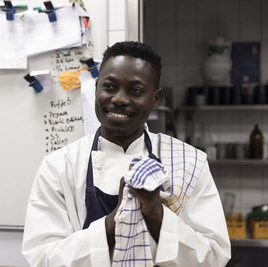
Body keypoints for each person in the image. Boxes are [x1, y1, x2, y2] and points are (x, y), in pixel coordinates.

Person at [22, 41, 231, 267]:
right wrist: (114, 223)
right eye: (109, 86)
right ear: (96, 89)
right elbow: (42, 258)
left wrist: (156, 214)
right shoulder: (60, 166)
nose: (120, 99)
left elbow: (213, 256)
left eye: (136, 91)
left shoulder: (189, 163)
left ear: (155, 99)